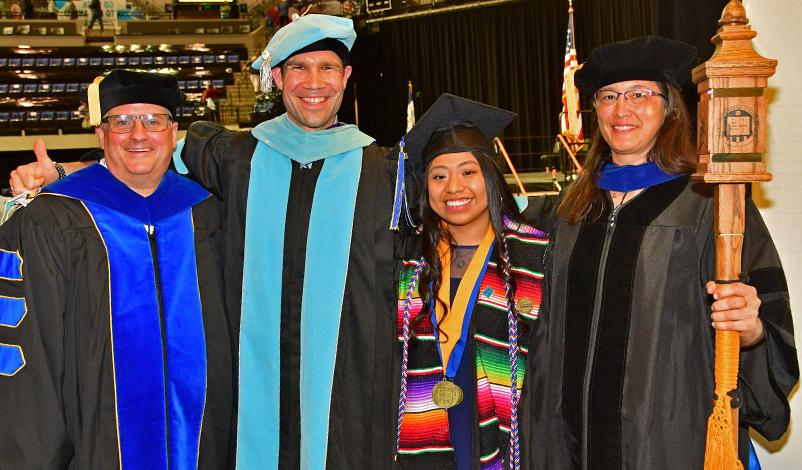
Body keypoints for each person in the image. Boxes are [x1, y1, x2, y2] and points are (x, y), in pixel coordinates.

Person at [7, 14, 400, 469]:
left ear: (347, 77)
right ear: (277, 77)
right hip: (244, 405)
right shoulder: (234, 156)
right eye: (298, 68)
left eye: (327, 68)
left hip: (343, 403)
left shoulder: (382, 172)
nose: (313, 82)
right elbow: (141, 162)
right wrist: (60, 173)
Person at [523, 36, 798, 469]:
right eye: (609, 96)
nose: (622, 109)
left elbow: (763, 317)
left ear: (669, 106)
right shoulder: (570, 209)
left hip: (669, 439)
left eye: (639, 94)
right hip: (568, 438)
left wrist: (752, 331)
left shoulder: (713, 204)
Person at [0, 70, 233, 468]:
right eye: (121, 121)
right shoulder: (49, 221)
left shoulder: (207, 213)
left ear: (173, 132)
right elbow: (27, 362)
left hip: (202, 444)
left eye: (153, 120)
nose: (138, 134)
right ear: (101, 134)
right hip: (93, 447)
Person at [393, 94, 548, 469]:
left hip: (508, 427)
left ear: (490, 177)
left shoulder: (536, 255)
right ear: (425, 188)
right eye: (439, 176)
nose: (453, 187)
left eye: (468, 172)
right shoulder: (405, 260)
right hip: (426, 421)